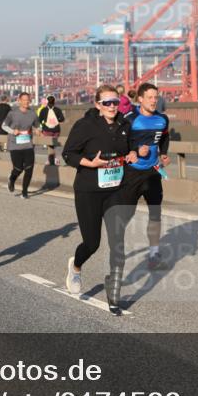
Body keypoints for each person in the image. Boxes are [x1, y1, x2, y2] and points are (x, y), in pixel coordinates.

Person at [62, 84, 138, 315]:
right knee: (92, 243)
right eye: (107, 103)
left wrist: (134, 153)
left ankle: (113, 294)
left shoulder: (125, 124)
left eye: (115, 102)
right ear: (98, 105)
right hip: (88, 190)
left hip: (115, 190)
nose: (112, 107)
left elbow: (130, 147)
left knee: (117, 241)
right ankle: (75, 267)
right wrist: (91, 163)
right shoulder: (85, 125)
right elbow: (69, 154)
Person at [121, 83, 171, 269]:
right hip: (132, 173)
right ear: (140, 99)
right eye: (150, 97)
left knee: (155, 214)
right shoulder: (130, 118)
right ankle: (117, 252)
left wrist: (164, 153)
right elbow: (119, 141)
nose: (153, 101)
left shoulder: (162, 119)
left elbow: (165, 137)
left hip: (152, 172)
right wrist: (134, 150)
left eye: (155, 97)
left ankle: (154, 255)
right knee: (126, 214)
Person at [2, 92, 38, 199]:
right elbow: (3, 126)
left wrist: (38, 130)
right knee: (18, 168)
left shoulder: (33, 113)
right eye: (24, 100)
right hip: (15, 145)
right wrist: (13, 131)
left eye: (28, 99)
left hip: (28, 144)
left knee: (29, 168)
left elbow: (37, 125)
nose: (26, 101)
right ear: (19, 101)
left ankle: (24, 192)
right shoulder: (12, 113)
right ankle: (12, 179)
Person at [37, 95, 65, 166]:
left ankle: (52, 159)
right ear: (54, 102)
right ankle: (54, 159)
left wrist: (42, 127)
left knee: (50, 145)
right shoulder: (58, 110)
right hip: (56, 130)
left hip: (46, 129)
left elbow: (39, 120)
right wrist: (56, 120)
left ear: (47, 102)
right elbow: (62, 119)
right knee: (53, 145)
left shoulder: (43, 110)